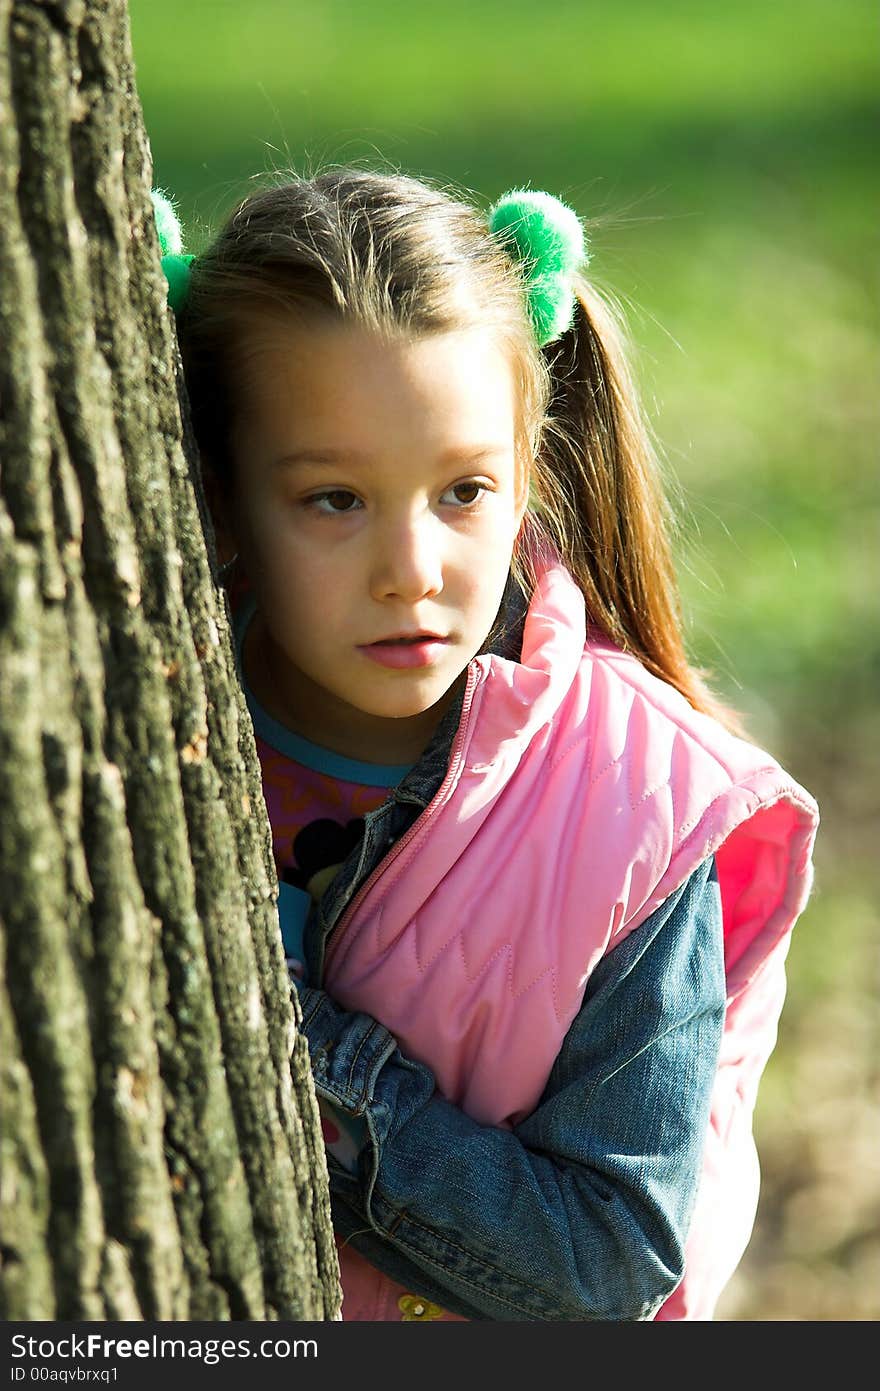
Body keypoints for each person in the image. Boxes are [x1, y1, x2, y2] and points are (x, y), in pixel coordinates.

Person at [153, 170, 819, 1321]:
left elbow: (606, 1264)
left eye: (461, 490)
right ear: (216, 494)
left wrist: (300, 1052)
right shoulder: (147, 725)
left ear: (525, 474)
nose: (411, 566)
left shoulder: (631, 811)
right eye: (333, 500)